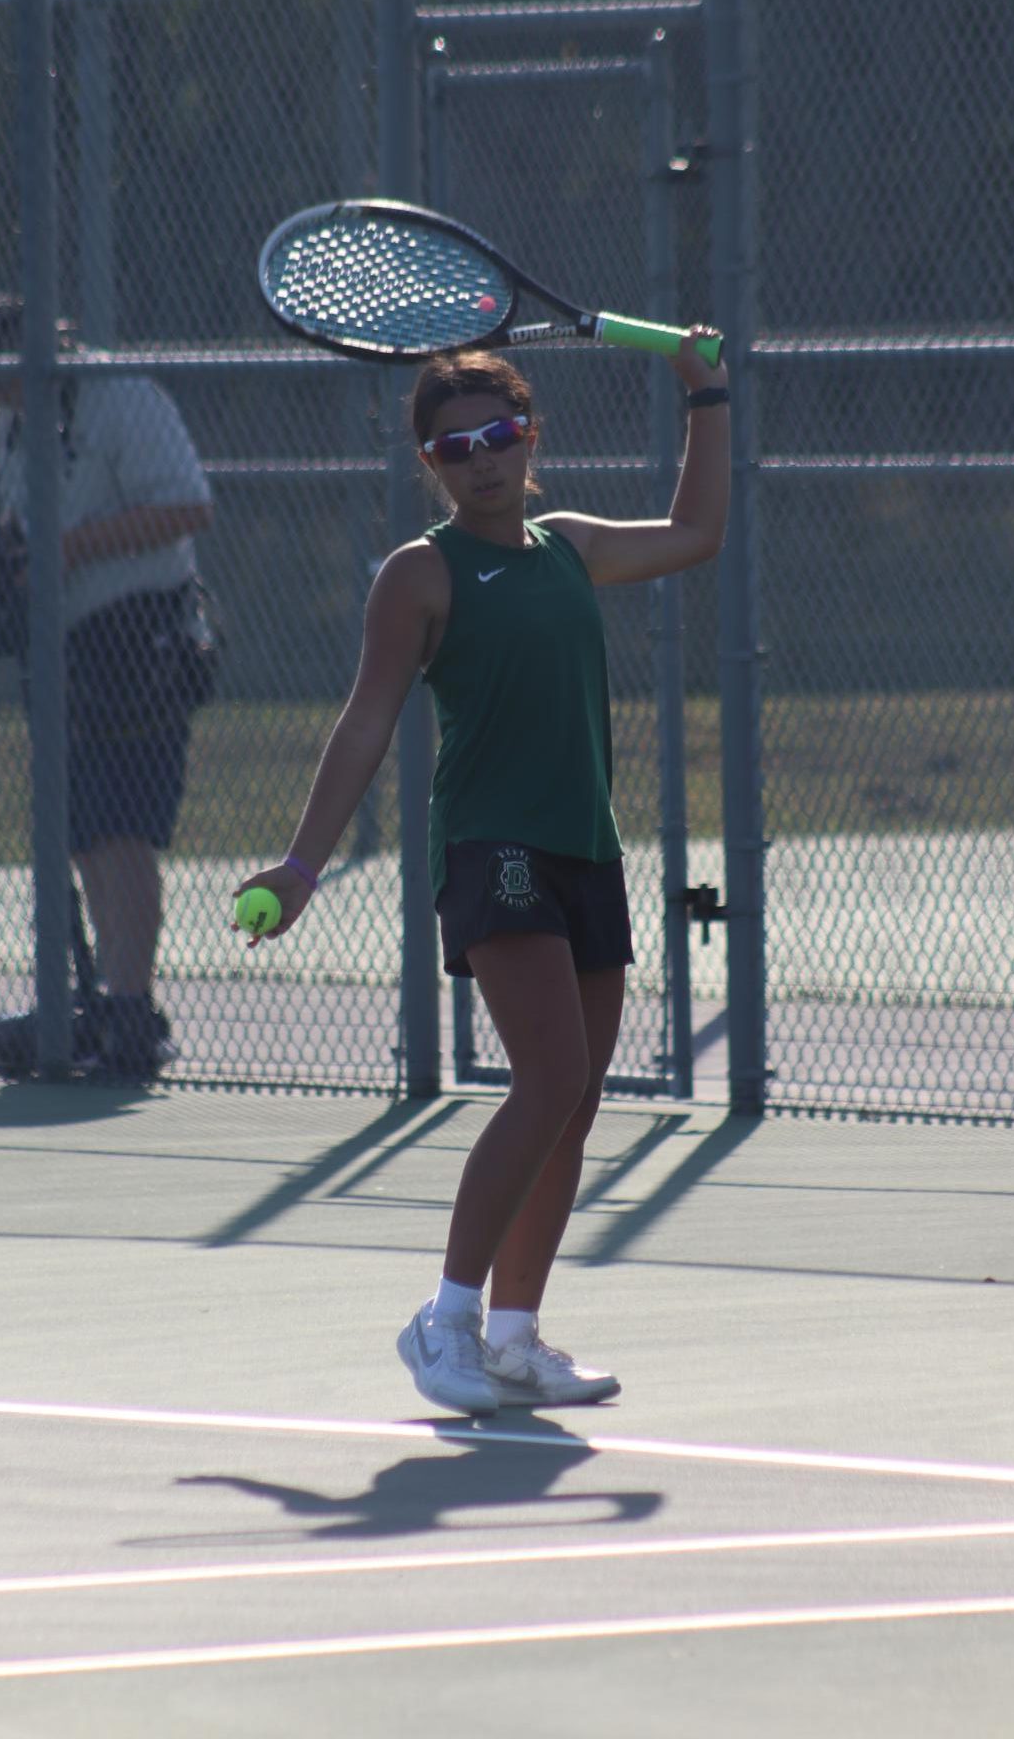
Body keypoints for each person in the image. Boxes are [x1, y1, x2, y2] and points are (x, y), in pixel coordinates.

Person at [233, 330, 729, 1412]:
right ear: (430, 466)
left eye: (499, 436)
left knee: (576, 1102)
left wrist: (706, 395)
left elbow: (696, 533)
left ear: (530, 438)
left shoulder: (569, 545)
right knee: (545, 1082)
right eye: (456, 449)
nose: (483, 461)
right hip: (489, 849)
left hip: (583, 850)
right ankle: (444, 1319)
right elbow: (366, 721)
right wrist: (304, 864)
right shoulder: (419, 573)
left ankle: (513, 1337)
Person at [0, 293, 215, 1084]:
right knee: (82, 830)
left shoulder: (122, 398)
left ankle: (130, 1009)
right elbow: (29, 516)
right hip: (61, 645)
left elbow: (186, 508)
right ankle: (108, 999)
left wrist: (66, 551)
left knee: (122, 823)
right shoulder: (16, 418)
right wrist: (0, 550)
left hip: (138, 635)